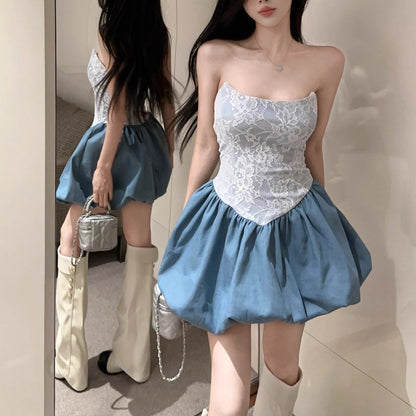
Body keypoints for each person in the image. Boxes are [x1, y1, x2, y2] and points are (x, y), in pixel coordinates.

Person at [157, 0, 372, 415]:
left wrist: (324, 229)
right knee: (230, 403)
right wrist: (184, 232)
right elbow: (206, 144)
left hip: (294, 227)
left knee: (282, 371)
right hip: (226, 226)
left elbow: (313, 146)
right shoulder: (215, 55)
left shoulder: (328, 62)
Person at [55, 0, 174, 392]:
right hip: (145, 144)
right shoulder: (157, 35)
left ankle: (70, 361)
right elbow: (166, 97)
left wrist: (103, 166)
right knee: (139, 244)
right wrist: (169, 147)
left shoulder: (109, 32)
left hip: (105, 144)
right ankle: (134, 357)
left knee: (70, 238)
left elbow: (116, 108)